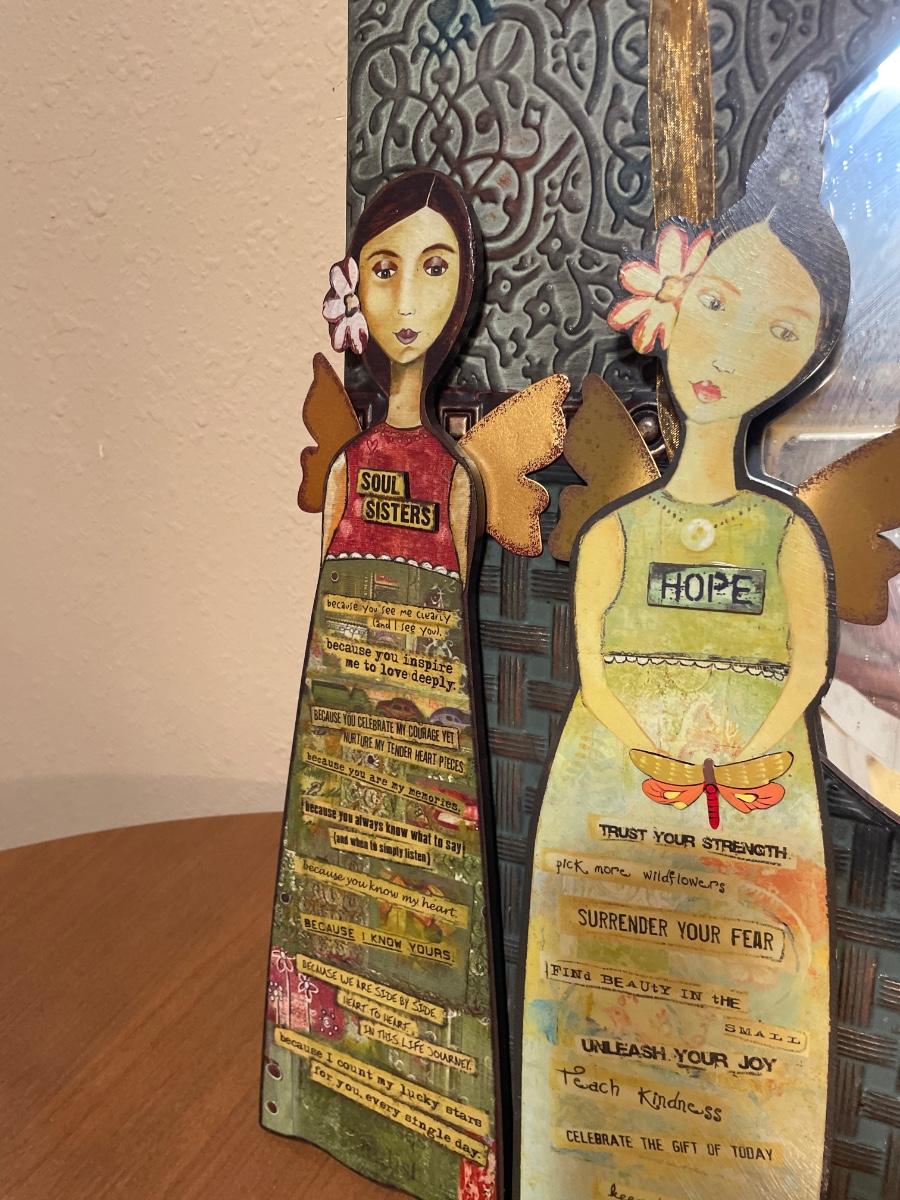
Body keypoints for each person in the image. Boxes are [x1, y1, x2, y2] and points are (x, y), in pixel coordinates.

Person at [517, 74, 851, 1200]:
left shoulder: (784, 533)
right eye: (717, 303)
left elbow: (807, 664)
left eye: (782, 329)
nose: (735, 346)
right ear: (664, 307)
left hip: (755, 813)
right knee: (600, 1019)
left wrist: (745, 741)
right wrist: (649, 742)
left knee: (747, 1026)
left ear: (811, 354)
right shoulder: (616, 533)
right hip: (613, 806)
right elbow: (594, 668)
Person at [262, 168, 567, 1200]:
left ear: (463, 286)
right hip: (342, 760)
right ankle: (314, 1078)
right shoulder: (351, 468)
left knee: (435, 940)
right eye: (383, 270)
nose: (404, 298)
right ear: (354, 285)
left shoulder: (457, 473)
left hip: (432, 775)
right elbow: (331, 600)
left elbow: (451, 605)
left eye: (433, 269)